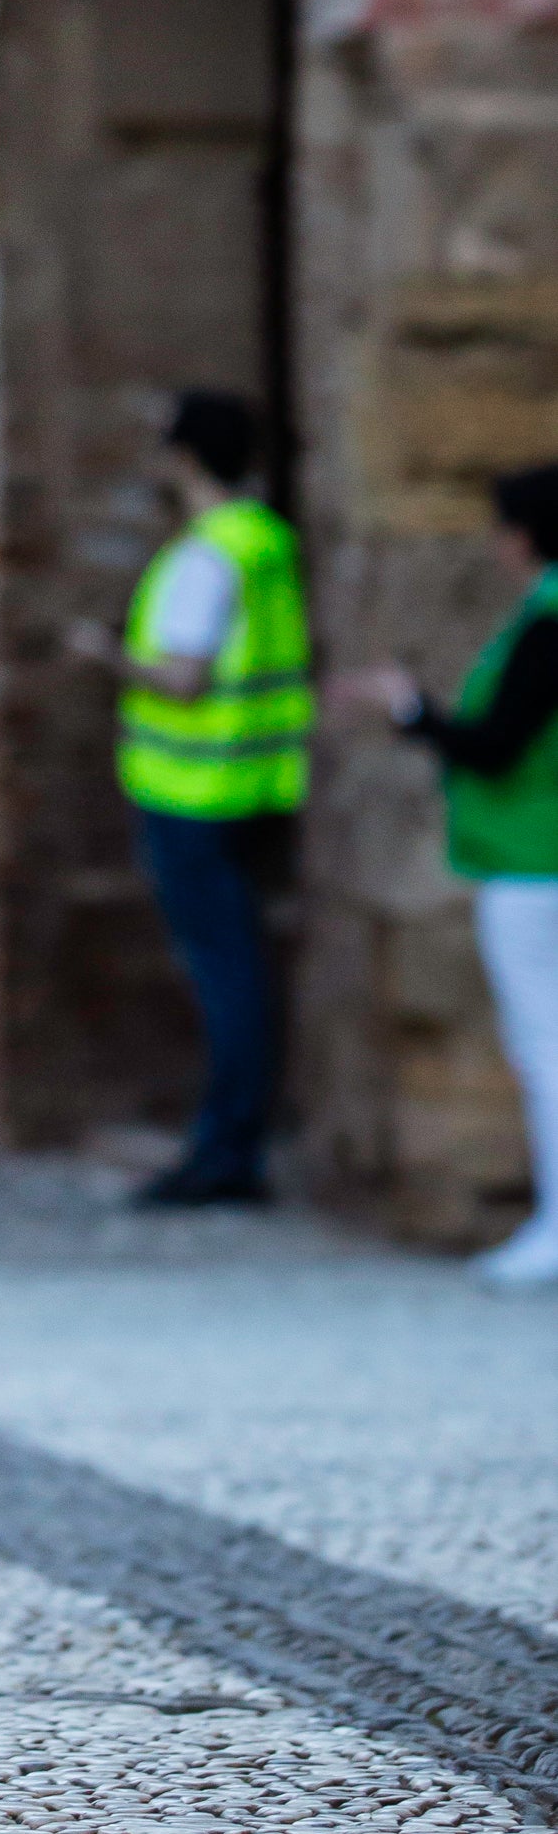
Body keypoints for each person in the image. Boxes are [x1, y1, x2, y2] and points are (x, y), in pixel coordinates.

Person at [68, 386, 311, 1210]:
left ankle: (224, 1150)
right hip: (254, 782)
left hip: (192, 789)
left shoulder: (206, 554)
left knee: (227, 977)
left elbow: (182, 676)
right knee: (242, 971)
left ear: (181, 458)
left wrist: (105, 655)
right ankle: (232, 1139)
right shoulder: (265, 541)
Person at [336, 462, 558, 1292]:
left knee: (547, 1049)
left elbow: (495, 743)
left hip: (535, 860)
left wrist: (409, 711)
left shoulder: (546, 622)